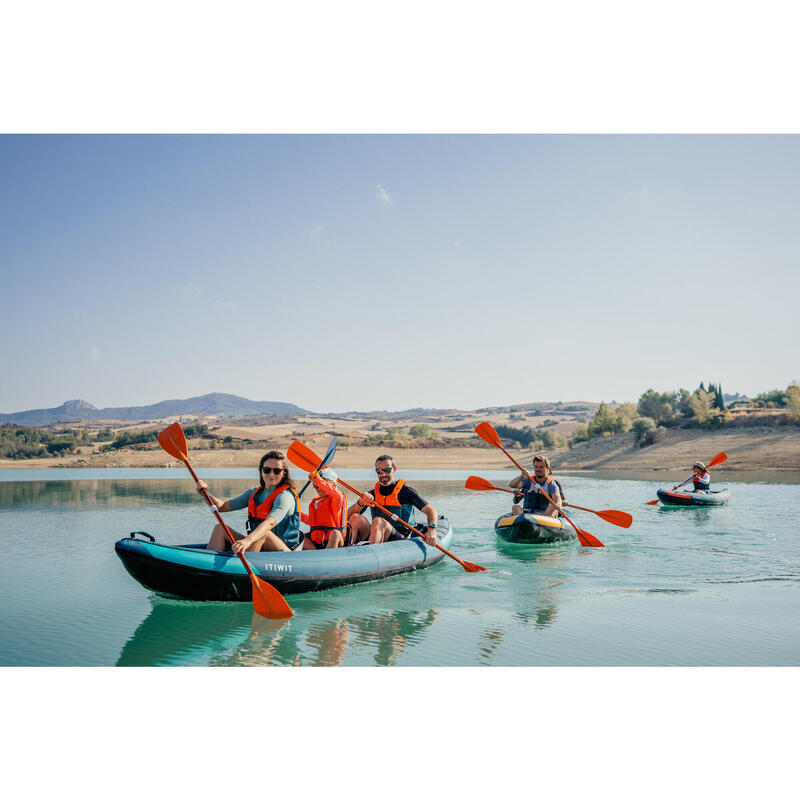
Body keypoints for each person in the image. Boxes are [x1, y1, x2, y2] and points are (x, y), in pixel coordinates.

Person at [199, 450, 302, 553]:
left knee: (264, 533)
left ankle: (241, 565)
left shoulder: (285, 496)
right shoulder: (254, 493)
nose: (271, 474)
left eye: (277, 471)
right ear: (261, 471)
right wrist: (204, 493)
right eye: (267, 470)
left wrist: (247, 540)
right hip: (257, 545)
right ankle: (209, 565)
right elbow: (221, 507)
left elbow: (269, 523)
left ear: (283, 473)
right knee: (220, 528)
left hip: (283, 552)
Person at [347, 454, 438, 545]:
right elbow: (347, 517)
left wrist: (432, 529)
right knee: (355, 517)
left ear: (394, 470)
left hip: (401, 537)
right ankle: (347, 550)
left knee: (378, 521)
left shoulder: (406, 492)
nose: (383, 474)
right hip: (378, 534)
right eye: (379, 471)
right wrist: (360, 502)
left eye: (387, 470)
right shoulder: (372, 494)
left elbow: (431, 510)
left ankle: (371, 553)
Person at [301, 468, 349, 550]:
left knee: (335, 533)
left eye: (322, 483)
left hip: (335, 540)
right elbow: (314, 522)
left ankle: (327, 559)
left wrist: (318, 480)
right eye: (315, 485)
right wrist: (297, 514)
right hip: (317, 543)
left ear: (333, 484)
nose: (318, 487)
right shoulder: (315, 503)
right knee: (298, 536)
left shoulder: (337, 498)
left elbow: (335, 493)